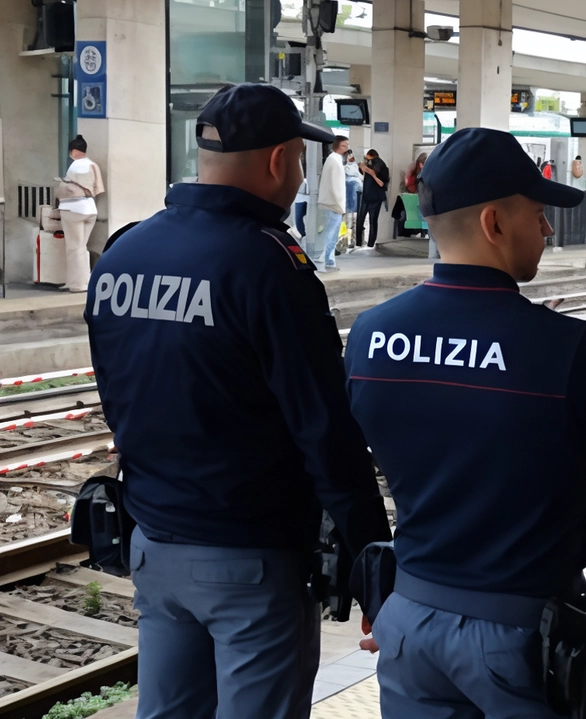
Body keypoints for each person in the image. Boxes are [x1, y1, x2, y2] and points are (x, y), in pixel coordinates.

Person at [82, 83, 392, 719]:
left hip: (153, 550)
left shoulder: (125, 252)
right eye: (300, 160)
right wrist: (370, 561)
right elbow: (325, 430)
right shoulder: (270, 266)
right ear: (279, 161)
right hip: (250, 564)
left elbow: (119, 392)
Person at [344, 127, 586, 717]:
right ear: (494, 222)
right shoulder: (572, 349)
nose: (547, 229)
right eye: (537, 214)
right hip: (519, 635)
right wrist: (516, 504)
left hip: (408, 618)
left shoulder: (369, 336)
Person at [57, 135, 105, 293]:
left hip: (73, 210)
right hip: (90, 209)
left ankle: (78, 284)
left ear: (74, 152)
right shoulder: (93, 165)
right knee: (81, 247)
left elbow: (67, 190)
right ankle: (82, 281)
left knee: (74, 247)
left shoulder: (75, 166)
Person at [318, 135, 348, 271]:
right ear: (336, 146)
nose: (346, 147)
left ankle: (328, 260)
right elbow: (336, 186)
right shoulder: (335, 161)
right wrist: (340, 205)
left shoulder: (333, 159)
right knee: (331, 233)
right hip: (334, 204)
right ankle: (327, 261)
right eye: (343, 145)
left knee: (330, 233)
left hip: (331, 203)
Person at [356, 149, 390, 249]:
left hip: (372, 196)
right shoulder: (375, 163)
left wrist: (365, 168)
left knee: (365, 219)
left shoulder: (378, 164)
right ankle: (369, 243)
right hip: (372, 196)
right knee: (372, 220)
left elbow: (376, 176)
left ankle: (361, 242)